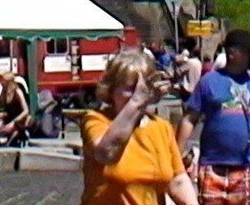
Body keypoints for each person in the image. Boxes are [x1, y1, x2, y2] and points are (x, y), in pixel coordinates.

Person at [176, 29, 250, 205]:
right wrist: (176, 155)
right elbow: (189, 119)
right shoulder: (209, 82)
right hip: (213, 166)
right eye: (230, 47)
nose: (232, 51)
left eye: (242, 50)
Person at [81, 50, 195, 205]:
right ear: (111, 90)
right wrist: (137, 102)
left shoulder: (161, 127)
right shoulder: (96, 120)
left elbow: (177, 181)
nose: (137, 95)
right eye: (129, 88)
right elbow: (107, 153)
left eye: (141, 89)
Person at [0, 70, 33, 147]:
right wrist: (1, 119)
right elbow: (4, 109)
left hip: (19, 119)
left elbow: (26, 110)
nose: (1, 82)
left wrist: (13, 122)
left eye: (3, 80)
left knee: (12, 131)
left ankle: (11, 143)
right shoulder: (4, 92)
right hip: (9, 118)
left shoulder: (17, 91)